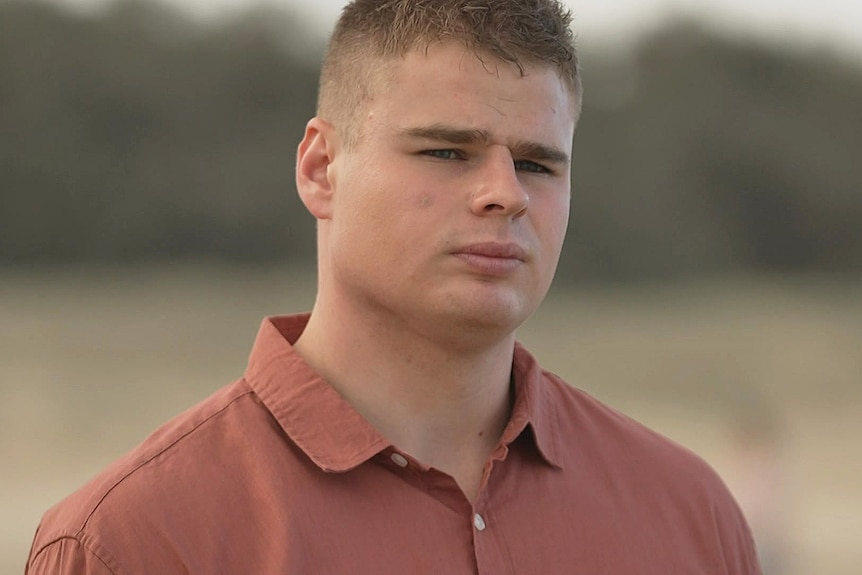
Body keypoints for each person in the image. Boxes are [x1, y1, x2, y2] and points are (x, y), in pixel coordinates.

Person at [26, 1, 762, 573]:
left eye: (538, 164)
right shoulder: (129, 542)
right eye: (447, 150)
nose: (504, 193)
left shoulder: (690, 515)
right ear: (320, 168)